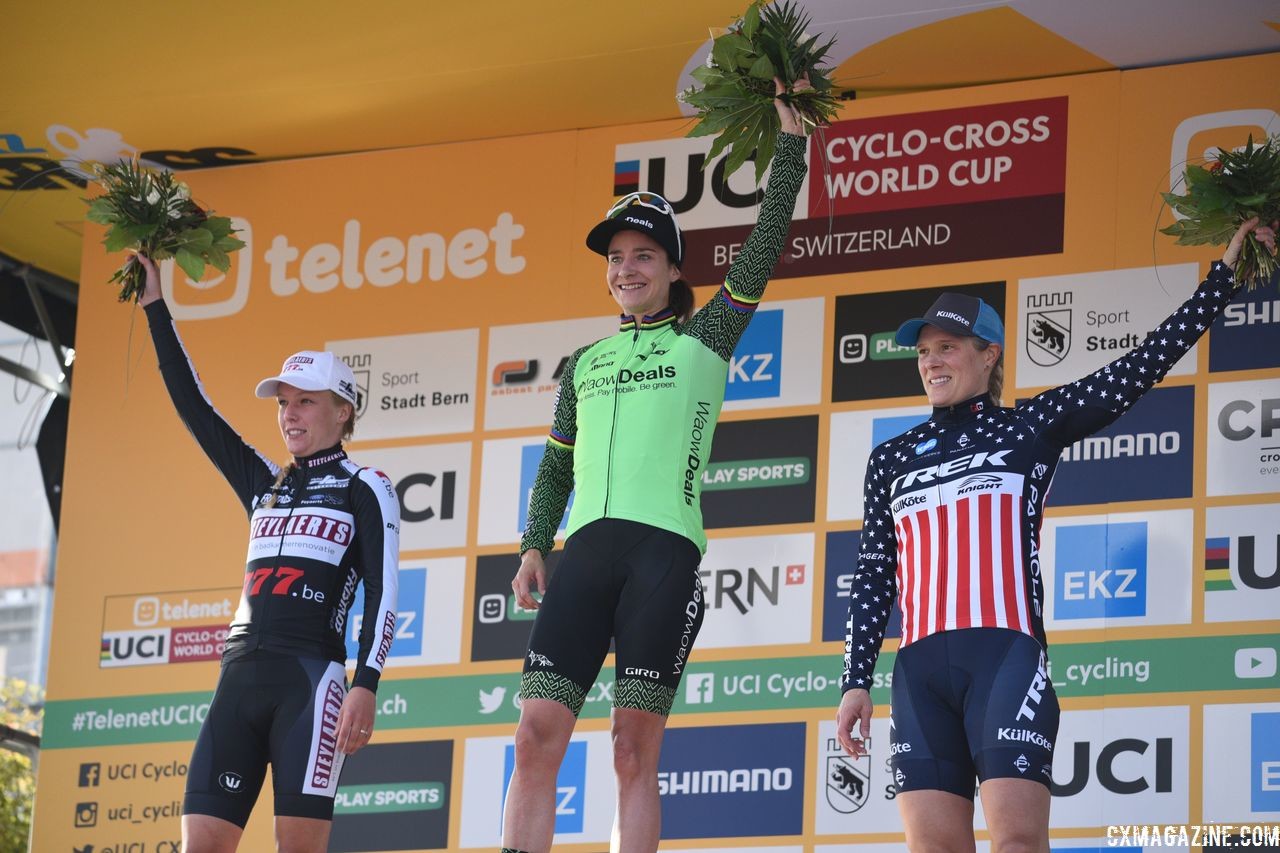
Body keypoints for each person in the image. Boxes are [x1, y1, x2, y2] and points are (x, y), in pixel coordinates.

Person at [834, 218, 1276, 851]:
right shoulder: (892, 458)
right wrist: (855, 679)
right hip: (917, 670)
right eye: (925, 349)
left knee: (1017, 842)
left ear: (989, 355)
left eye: (950, 346)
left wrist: (1223, 278)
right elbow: (876, 570)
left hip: (1005, 658)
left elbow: (1140, 366)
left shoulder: (1028, 428)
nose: (932, 360)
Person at [501, 81, 809, 853]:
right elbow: (557, 465)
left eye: (643, 255)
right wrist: (537, 540)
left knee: (632, 749)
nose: (627, 268)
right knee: (535, 735)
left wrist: (793, 148)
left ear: (673, 269)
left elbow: (766, 243)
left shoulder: (705, 336)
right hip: (585, 556)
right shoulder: (586, 361)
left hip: (662, 558)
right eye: (616, 257)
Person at [136, 254, 401, 853]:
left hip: (311, 681)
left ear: (343, 410)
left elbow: (384, 593)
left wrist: (368, 683)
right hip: (239, 676)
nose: (289, 414)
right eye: (283, 402)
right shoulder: (263, 481)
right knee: (200, 845)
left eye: (305, 401)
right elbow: (194, 408)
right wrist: (156, 303)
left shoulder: (367, 486)